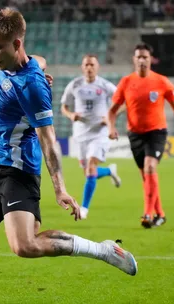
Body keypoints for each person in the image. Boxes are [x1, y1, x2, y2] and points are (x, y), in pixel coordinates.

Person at [0, 8, 138, 304]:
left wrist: (60, 188)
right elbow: (37, 61)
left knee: (25, 245)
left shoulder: (32, 86)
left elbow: (49, 140)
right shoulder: (15, 62)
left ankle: (102, 250)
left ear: (16, 43)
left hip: (17, 171)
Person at [108, 43, 174, 229]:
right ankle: (160, 214)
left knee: (149, 167)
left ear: (150, 60)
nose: (141, 60)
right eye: (138, 56)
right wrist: (111, 127)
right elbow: (112, 111)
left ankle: (147, 214)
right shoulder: (125, 82)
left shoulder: (162, 81)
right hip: (135, 134)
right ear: (134, 59)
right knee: (146, 176)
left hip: (157, 132)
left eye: (145, 57)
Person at [61, 54, 122, 219]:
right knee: (88, 172)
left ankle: (84, 208)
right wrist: (71, 114)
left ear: (97, 67)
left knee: (90, 168)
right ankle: (110, 170)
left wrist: (109, 119)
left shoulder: (105, 85)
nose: (89, 68)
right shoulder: (75, 84)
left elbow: (122, 103)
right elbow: (64, 106)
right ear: (82, 67)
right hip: (80, 133)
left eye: (92, 65)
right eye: (86, 65)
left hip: (99, 133)